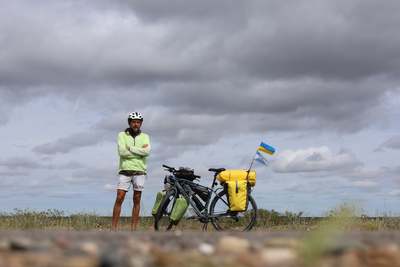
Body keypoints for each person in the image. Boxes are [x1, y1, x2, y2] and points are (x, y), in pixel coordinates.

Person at [112, 111, 151, 231]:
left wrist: (131, 149)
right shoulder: (121, 135)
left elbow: (147, 152)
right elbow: (121, 152)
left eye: (138, 122)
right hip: (125, 170)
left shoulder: (145, 137)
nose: (136, 124)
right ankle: (113, 228)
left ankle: (133, 228)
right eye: (133, 122)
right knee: (119, 198)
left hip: (140, 171)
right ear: (129, 122)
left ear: (141, 124)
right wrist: (139, 152)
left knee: (137, 199)